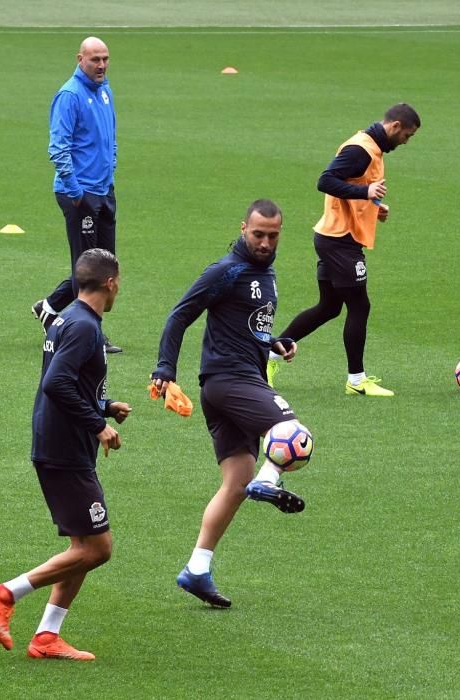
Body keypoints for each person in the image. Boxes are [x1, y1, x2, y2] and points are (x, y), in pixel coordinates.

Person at [149, 199, 308, 608]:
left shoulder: (263, 272)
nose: (265, 242)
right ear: (243, 229)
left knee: (236, 482)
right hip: (229, 381)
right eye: (258, 234)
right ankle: (271, 482)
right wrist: (165, 368)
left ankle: (197, 569)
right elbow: (179, 315)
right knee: (294, 434)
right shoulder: (226, 270)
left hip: (231, 383)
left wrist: (273, 343)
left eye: (273, 236)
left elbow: (246, 326)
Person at [0, 248, 131, 660]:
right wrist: (99, 425)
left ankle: (47, 636)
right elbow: (56, 384)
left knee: (81, 548)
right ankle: (5, 594)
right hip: (64, 450)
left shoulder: (70, 319)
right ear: (111, 283)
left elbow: (68, 382)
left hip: (63, 445)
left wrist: (104, 404)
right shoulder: (85, 328)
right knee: (97, 549)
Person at [267, 103, 421, 396]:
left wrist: (373, 207)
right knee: (359, 306)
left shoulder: (371, 148)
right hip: (340, 242)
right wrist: (366, 193)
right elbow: (325, 181)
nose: (406, 142)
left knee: (328, 307)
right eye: (407, 136)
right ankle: (356, 380)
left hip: (333, 237)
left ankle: (270, 353)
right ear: (395, 127)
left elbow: (351, 186)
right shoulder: (360, 149)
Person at [32, 36, 122, 354]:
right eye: (95, 59)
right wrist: (76, 192)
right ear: (80, 59)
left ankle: (49, 307)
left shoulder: (106, 91)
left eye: (105, 59)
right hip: (79, 194)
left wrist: (109, 171)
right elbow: (58, 148)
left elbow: (109, 138)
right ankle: (89, 332)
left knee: (107, 266)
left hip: (104, 190)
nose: (101, 65)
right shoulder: (69, 95)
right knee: (90, 270)